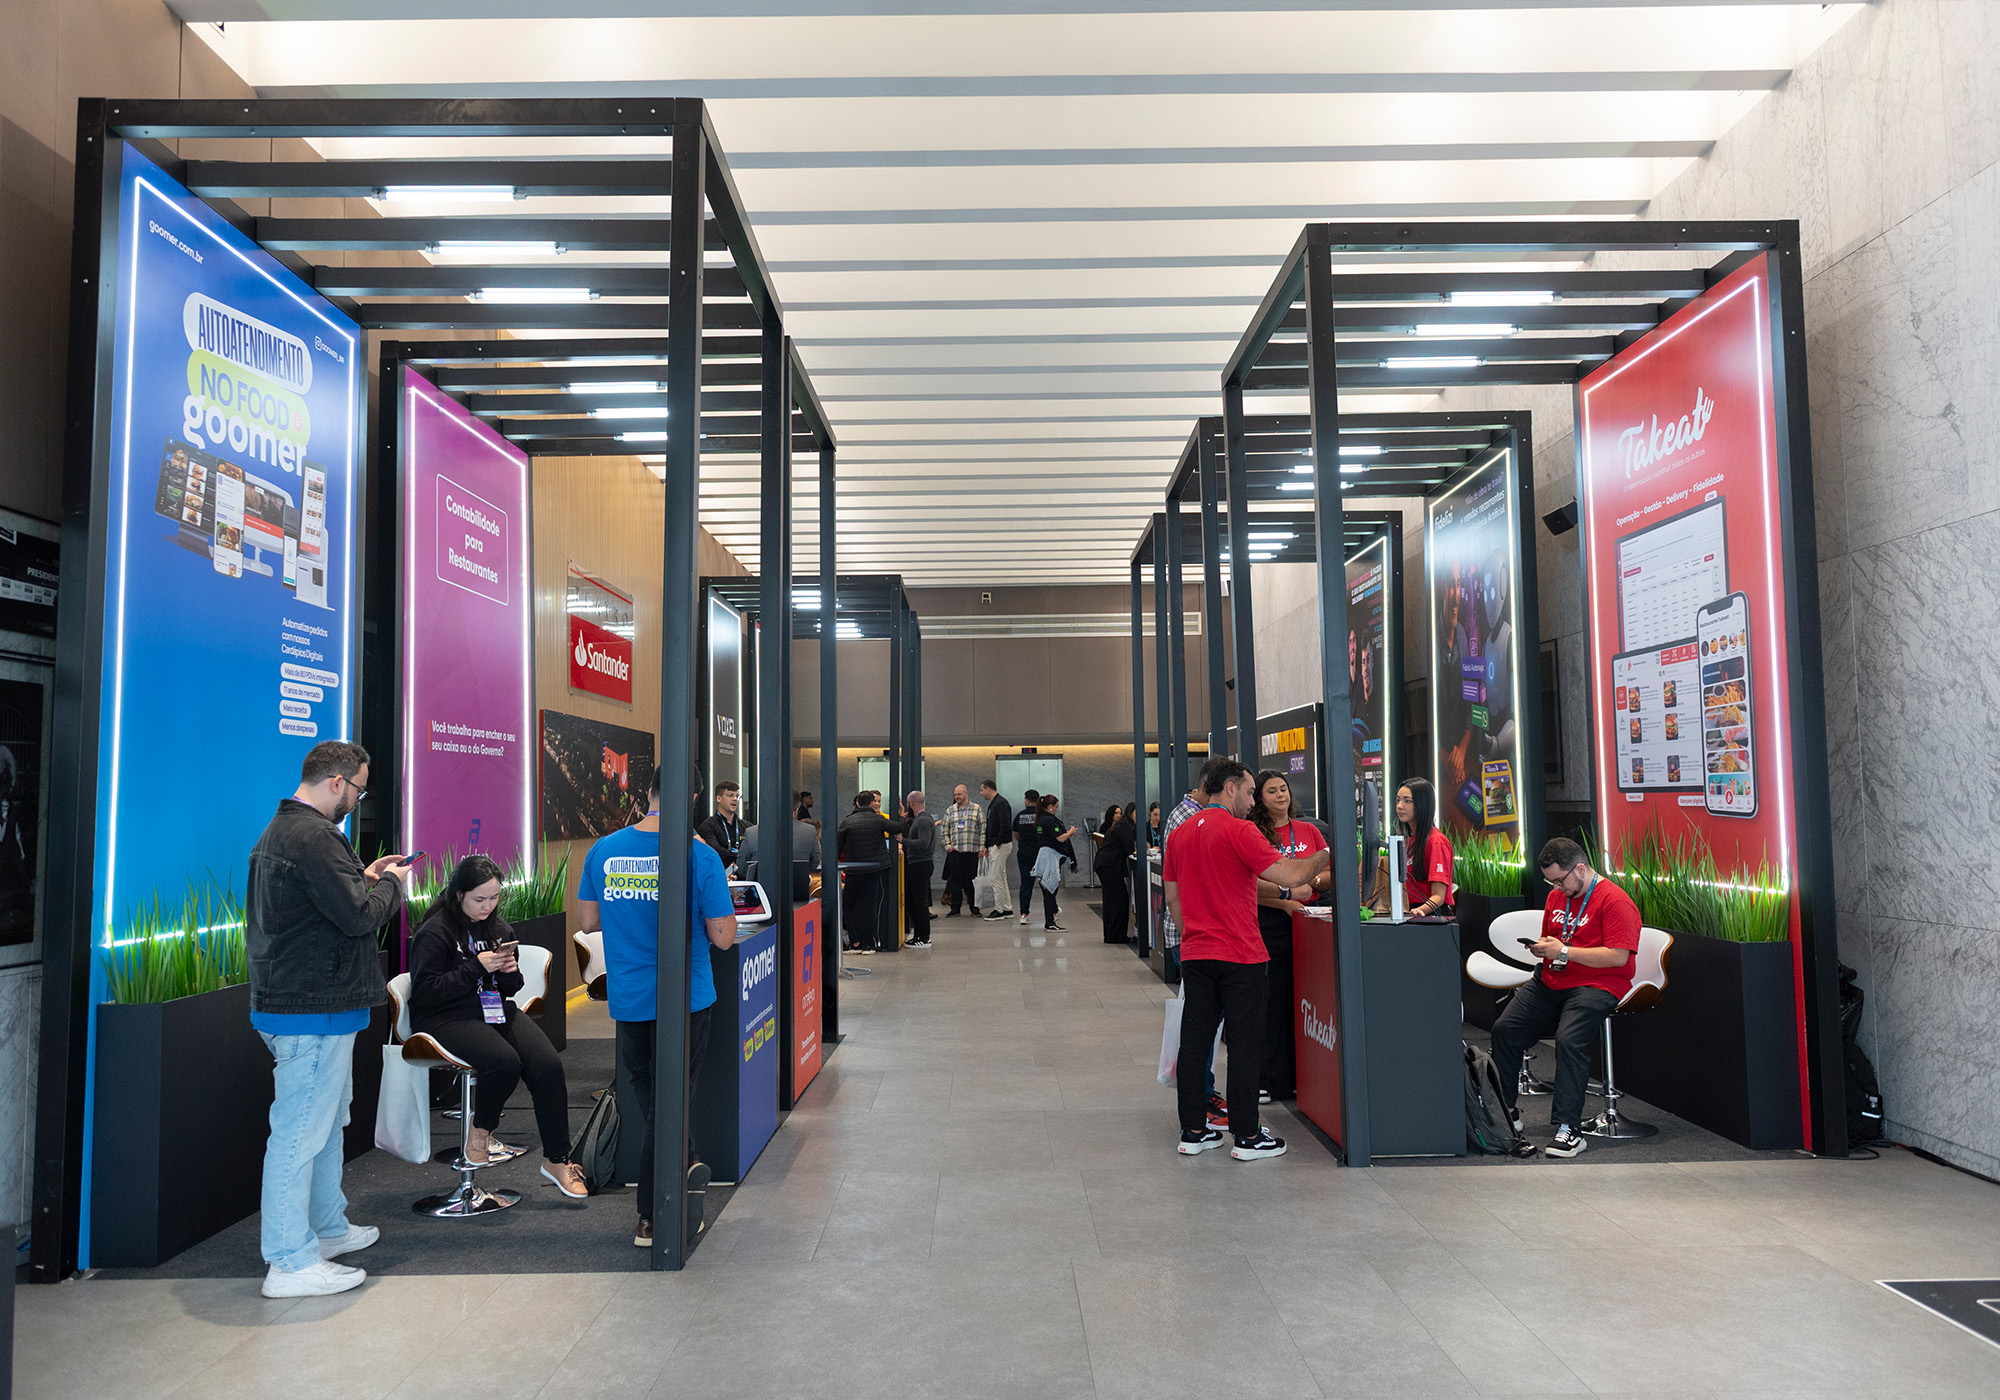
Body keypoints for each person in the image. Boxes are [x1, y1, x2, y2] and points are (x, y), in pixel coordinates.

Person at [246, 740, 410, 1297]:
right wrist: (388, 886)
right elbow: (359, 917)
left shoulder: (289, 834)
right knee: (298, 1135)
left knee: (325, 1125)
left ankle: (325, 1230)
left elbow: (325, 907)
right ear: (336, 782)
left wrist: (362, 875)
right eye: (358, 790)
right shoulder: (313, 837)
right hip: (310, 1012)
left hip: (313, 1006)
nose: (357, 800)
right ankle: (289, 1261)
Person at [577, 768, 738, 1247]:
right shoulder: (699, 855)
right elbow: (724, 937)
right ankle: (654, 1212)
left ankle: (667, 1193)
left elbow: (589, 925)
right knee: (674, 1103)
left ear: (646, 793)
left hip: (629, 999)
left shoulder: (603, 850)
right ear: (692, 795)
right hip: (686, 999)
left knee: (653, 1098)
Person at [1165, 756, 1329, 1161]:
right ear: (1231, 787)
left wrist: (1194, 934)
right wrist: (1329, 853)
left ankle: (1193, 1131)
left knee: (1195, 1044)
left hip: (1198, 953)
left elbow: (1172, 897)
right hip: (1241, 954)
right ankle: (1247, 1136)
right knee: (1244, 1046)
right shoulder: (1240, 831)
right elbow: (1290, 876)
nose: (1254, 798)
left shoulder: (1180, 834)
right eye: (1252, 790)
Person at [408, 855, 585, 1198]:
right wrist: (476, 967)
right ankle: (481, 1129)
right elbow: (428, 992)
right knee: (503, 1062)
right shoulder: (436, 931)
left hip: (492, 1010)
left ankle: (557, 1160)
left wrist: (508, 973)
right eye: (479, 899)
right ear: (459, 894)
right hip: (446, 1016)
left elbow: (511, 988)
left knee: (548, 1066)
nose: (487, 906)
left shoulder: (499, 929)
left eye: (493, 898)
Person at [1489, 837, 1642, 1159]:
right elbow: (1555, 939)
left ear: (1581, 869)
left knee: (1569, 1040)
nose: (1557, 887)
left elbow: (1618, 958)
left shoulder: (1616, 901)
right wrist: (1544, 948)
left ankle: (1568, 1128)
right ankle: (1506, 1112)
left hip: (1598, 983)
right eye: (1551, 881)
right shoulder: (1558, 896)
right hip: (1552, 979)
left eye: (1561, 879)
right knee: (1505, 1030)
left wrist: (1566, 952)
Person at [1250, 771, 1330, 1103]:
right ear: (1260, 798)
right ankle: (1271, 1078)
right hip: (1272, 923)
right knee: (1273, 1002)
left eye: (1283, 789)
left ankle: (1302, 1076)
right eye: (1272, 791)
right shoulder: (1254, 833)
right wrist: (1286, 900)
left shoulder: (1310, 830)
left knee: (1305, 1001)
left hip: (1309, 922)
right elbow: (1249, 886)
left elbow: (1329, 871)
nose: (1281, 795)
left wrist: (1313, 884)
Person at [837, 790, 904, 953]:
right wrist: (901, 814)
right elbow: (898, 827)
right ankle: (869, 942)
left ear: (858, 803)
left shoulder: (848, 821)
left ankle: (855, 942)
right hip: (875, 868)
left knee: (849, 903)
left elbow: (838, 845)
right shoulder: (878, 819)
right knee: (870, 904)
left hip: (854, 869)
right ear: (870, 802)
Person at [1394, 777, 1454, 917]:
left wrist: (1419, 911)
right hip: (1408, 912)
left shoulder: (1436, 842)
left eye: (1407, 801)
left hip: (1429, 916)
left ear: (1422, 804)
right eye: (1398, 800)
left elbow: (1438, 897)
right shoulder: (1407, 839)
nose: (1399, 806)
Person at [1025, 793, 1079, 932]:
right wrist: (1070, 832)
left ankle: (1053, 913)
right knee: (1050, 889)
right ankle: (1050, 922)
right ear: (1049, 807)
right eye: (1055, 807)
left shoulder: (1043, 819)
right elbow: (1060, 838)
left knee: (1049, 890)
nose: (1057, 809)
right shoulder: (1048, 820)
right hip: (1049, 857)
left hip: (1047, 856)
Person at [738, 811, 820, 899]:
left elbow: (741, 867)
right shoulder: (809, 831)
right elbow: (815, 861)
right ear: (796, 811)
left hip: (760, 895)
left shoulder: (751, 832)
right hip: (797, 892)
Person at [1093, 802, 1138, 943]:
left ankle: (1112, 935)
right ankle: (1116, 936)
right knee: (1118, 901)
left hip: (1105, 865)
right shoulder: (1126, 826)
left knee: (1111, 901)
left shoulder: (1122, 825)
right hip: (1110, 866)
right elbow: (1129, 847)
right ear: (1130, 813)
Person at [939, 783, 985, 917]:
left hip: (972, 852)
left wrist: (981, 848)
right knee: (955, 882)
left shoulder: (977, 809)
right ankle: (955, 909)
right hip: (956, 853)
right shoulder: (950, 810)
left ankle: (974, 908)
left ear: (966, 794)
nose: (956, 797)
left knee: (972, 883)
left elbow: (983, 830)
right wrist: (948, 846)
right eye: (955, 794)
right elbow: (944, 830)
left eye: (959, 794)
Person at [902, 789, 938, 947]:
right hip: (919, 864)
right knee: (915, 900)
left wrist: (903, 840)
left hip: (920, 864)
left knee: (919, 902)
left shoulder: (922, 820)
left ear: (911, 803)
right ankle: (919, 935)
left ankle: (923, 937)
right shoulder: (921, 818)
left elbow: (923, 843)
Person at [979, 778, 1014, 919]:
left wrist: (998, 842)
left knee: (995, 878)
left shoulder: (1000, 803)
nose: (981, 793)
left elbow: (1005, 824)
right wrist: (987, 845)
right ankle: (1007, 908)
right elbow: (991, 827)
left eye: (982, 790)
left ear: (988, 788)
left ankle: (999, 910)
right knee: (1001, 877)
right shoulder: (994, 804)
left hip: (1001, 845)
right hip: (995, 844)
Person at [696, 780, 744, 872]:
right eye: (730, 795)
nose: (735, 799)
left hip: (743, 878)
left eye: (737, 796)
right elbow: (716, 852)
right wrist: (741, 856)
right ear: (718, 798)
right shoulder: (707, 826)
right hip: (717, 874)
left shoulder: (746, 826)